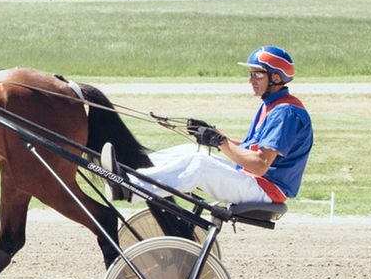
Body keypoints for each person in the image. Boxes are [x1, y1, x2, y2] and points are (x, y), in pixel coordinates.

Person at [116, 46, 313, 205]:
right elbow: (248, 148)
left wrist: (221, 142)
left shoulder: (286, 112)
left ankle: (130, 186)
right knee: (192, 151)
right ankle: (129, 169)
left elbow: (260, 165)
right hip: (253, 180)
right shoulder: (272, 105)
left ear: (276, 78)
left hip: (266, 189)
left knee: (201, 165)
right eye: (251, 74)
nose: (251, 80)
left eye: (258, 75)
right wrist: (213, 134)